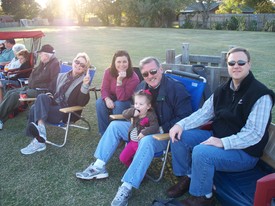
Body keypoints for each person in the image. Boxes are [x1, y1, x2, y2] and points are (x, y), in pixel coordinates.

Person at [75, 57, 193, 206]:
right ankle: (98, 166)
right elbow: (134, 106)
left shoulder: (176, 88)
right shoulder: (143, 87)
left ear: (161, 69)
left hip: (163, 134)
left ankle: (127, 187)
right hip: (141, 127)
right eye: (145, 74)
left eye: (153, 71)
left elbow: (185, 116)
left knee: (146, 140)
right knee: (115, 126)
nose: (150, 76)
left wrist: (161, 128)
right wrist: (133, 112)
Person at [166, 47, 275, 205]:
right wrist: (180, 124)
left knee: (202, 152)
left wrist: (223, 142)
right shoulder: (222, 90)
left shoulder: (261, 95)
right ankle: (187, 176)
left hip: (244, 153)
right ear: (228, 66)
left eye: (241, 62)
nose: (236, 66)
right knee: (180, 137)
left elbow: (254, 134)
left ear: (249, 64)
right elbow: (204, 114)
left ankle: (204, 196)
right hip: (218, 138)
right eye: (232, 63)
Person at [20, 52, 92, 155]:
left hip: (64, 112)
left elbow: (81, 103)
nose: (79, 66)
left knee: (34, 108)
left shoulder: (83, 82)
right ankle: (41, 135)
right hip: (53, 105)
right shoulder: (61, 76)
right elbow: (50, 90)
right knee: (42, 97)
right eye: (77, 62)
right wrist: (50, 97)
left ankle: (38, 138)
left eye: (83, 65)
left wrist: (85, 85)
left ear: (85, 69)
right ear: (73, 62)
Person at [0, 44, 59, 130]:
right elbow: (33, 74)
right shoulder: (43, 62)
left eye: (41, 54)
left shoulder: (54, 64)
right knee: (10, 92)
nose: (39, 56)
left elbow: (53, 83)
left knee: (14, 96)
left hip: (41, 91)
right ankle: (2, 117)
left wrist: (36, 84)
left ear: (46, 55)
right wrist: (32, 82)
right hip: (32, 87)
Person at [96, 50, 140, 135]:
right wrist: (107, 99)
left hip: (127, 100)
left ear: (129, 63)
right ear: (114, 63)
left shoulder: (134, 78)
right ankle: (104, 132)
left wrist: (119, 81)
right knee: (99, 103)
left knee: (118, 104)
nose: (121, 64)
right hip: (112, 96)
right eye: (118, 62)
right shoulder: (108, 72)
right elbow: (104, 89)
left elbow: (122, 98)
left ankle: (118, 133)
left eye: (124, 62)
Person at [119, 89, 159, 167]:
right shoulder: (134, 112)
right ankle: (132, 167)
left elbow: (155, 127)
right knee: (123, 158)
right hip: (132, 142)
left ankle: (138, 171)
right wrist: (132, 112)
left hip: (140, 144)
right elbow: (124, 114)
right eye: (136, 103)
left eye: (141, 104)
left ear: (148, 106)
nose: (137, 106)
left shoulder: (150, 115)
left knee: (140, 161)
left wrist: (145, 132)